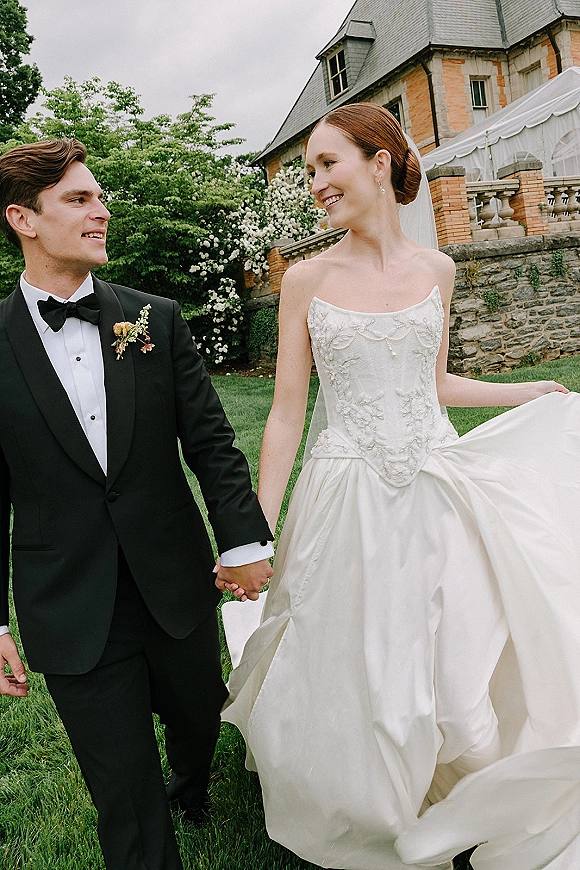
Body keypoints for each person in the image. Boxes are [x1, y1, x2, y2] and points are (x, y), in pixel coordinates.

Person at [219, 103, 580, 870]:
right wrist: (256, 530)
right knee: (370, 670)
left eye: (328, 163)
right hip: (347, 498)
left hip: (439, 492)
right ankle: (378, 809)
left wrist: (525, 391)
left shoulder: (436, 270)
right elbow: (285, 414)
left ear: (379, 162)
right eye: (309, 170)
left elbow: (436, 382)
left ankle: (475, 798)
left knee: (459, 669)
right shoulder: (306, 280)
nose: (316, 183)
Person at [0, 138, 274, 870]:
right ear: (24, 219)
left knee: (199, 717)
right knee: (123, 792)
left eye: (100, 198)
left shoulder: (155, 318)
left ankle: (192, 782)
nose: (102, 211)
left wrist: (243, 541)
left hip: (174, 578)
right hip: (68, 598)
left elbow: (211, 442)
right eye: (78, 200)